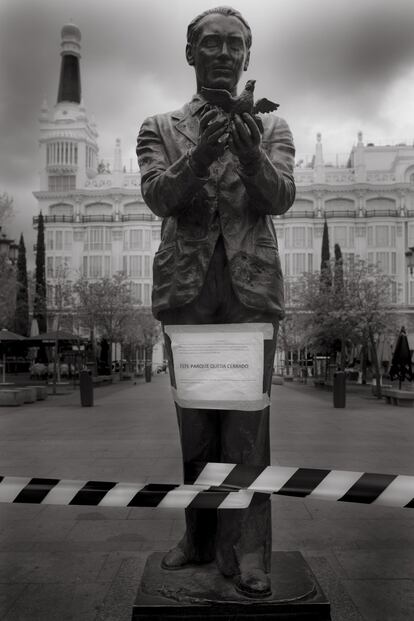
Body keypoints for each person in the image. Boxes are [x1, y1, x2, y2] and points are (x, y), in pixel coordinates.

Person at [137, 6, 295, 598]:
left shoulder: (273, 127)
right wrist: (200, 152)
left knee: (248, 432)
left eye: (235, 44)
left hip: (248, 294)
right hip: (187, 294)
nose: (224, 53)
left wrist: (251, 155)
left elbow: (279, 198)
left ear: (247, 56)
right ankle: (200, 539)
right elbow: (158, 196)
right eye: (212, 43)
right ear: (191, 52)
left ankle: (249, 551)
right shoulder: (160, 125)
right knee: (197, 431)